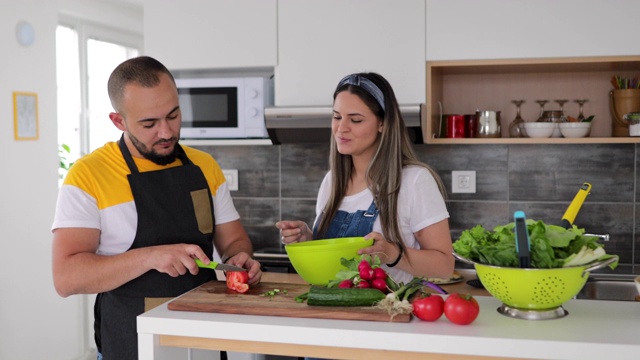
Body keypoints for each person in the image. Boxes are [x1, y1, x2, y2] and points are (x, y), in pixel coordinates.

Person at [51, 56, 262, 360]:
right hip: (131, 344)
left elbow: (233, 240)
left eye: (173, 116)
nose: (166, 132)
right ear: (118, 121)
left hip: (202, 340)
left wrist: (238, 258)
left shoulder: (204, 166)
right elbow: (66, 278)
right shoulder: (88, 176)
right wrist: (151, 256)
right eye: (149, 123)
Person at [276, 72, 454, 284]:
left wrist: (393, 254)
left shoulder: (414, 181)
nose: (341, 129)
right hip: (332, 312)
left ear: (382, 124)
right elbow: (338, 265)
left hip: (388, 312)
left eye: (356, 120)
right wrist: (309, 240)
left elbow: (444, 267)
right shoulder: (331, 182)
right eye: (336, 117)